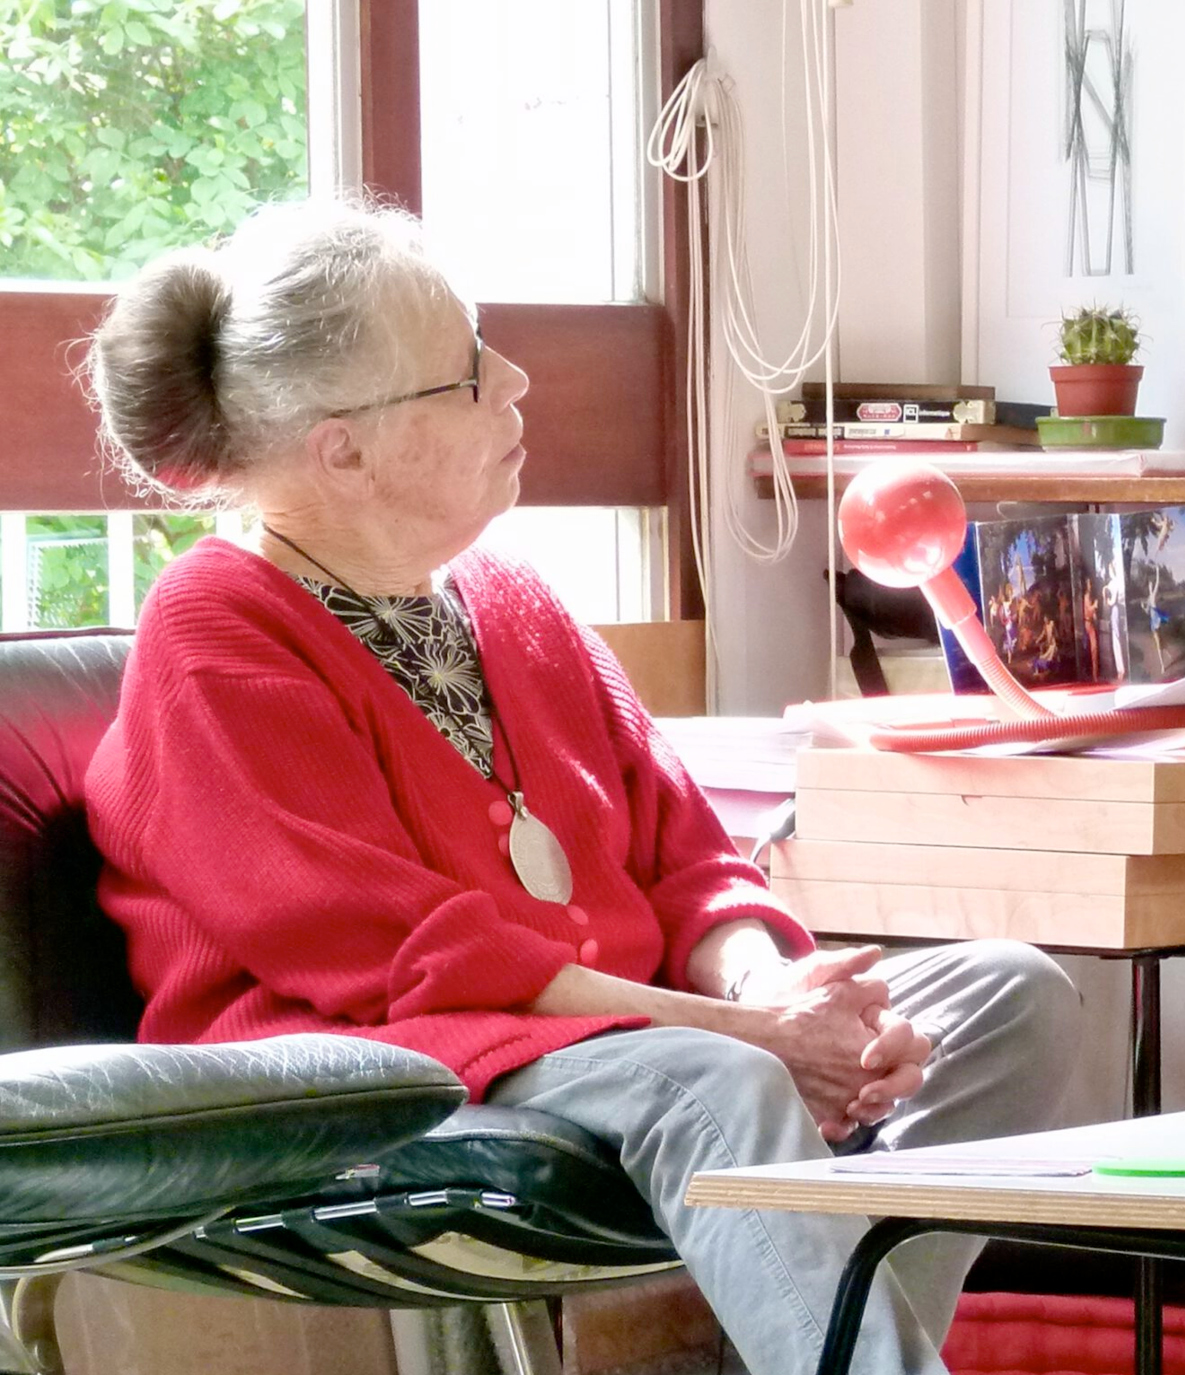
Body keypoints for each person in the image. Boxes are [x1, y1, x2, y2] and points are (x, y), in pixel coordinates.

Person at [83, 197, 1080, 1375]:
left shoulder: (507, 595)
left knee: (1012, 995)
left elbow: (685, 857)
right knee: (715, 1074)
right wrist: (751, 1030)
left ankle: (817, 1352)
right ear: (337, 445)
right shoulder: (214, 631)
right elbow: (404, 958)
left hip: (604, 1029)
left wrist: (779, 983)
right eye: (463, 373)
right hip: (377, 1062)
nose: (513, 381)